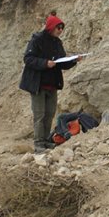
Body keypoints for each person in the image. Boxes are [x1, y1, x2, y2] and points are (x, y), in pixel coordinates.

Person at [19, 13, 79, 152]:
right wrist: (45, 63)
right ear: (51, 27)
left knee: (50, 113)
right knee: (39, 115)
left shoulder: (58, 43)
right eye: (58, 27)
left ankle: (46, 141)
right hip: (38, 84)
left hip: (52, 84)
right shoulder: (37, 39)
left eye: (62, 28)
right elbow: (28, 59)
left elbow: (62, 63)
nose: (60, 31)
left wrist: (73, 60)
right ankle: (38, 144)